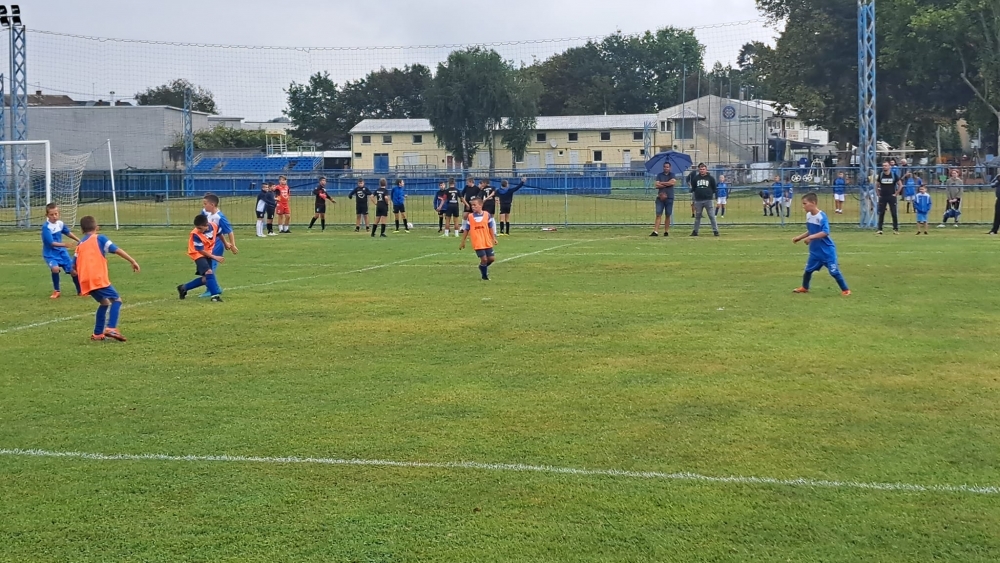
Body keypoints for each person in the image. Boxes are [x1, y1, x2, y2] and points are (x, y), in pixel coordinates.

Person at [73, 215, 140, 341]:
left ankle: (98, 334)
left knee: (104, 303)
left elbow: (73, 266)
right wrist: (132, 261)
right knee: (117, 300)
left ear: (81, 230)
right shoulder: (100, 238)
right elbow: (116, 249)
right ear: (96, 227)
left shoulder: (80, 244)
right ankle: (111, 328)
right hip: (97, 278)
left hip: (85, 280)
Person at [792, 193, 850, 296]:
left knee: (834, 272)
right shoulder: (809, 216)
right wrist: (799, 238)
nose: (803, 206)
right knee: (808, 271)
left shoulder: (821, 216)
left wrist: (811, 237)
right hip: (815, 251)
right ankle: (805, 287)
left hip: (827, 251)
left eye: (805, 203)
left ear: (813, 203)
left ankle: (846, 290)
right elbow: (811, 231)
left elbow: (825, 232)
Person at [176, 214, 224, 303]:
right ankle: (215, 296)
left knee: (206, 279)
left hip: (207, 253)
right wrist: (214, 257)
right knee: (209, 272)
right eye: (197, 228)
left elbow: (219, 234)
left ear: (206, 225)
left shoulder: (214, 226)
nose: (198, 230)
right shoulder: (195, 234)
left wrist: (226, 243)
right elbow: (200, 250)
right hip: (197, 253)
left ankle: (183, 287)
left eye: (200, 228)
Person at [200, 193, 237, 298]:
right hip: (207, 245)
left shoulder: (219, 217)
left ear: (212, 204)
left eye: (205, 204)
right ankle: (215, 288)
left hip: (216, 245)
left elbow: (229, 231)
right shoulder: (206, 214)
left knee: (210, 267)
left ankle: (211, 289)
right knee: (206, 267)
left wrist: (232, 245)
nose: (204, 206)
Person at [41, 203, 81, 299]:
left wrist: (79, 240)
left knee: (74, 271)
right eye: (51, 214)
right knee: (55, 269)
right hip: (50, 254)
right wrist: (66, 245)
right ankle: (57, 291)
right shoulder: (46, 227)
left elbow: (67, 232)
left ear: (59, 213)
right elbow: (51, 243)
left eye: (56, 214)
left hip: (62, 253)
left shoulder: (60, 224)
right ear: (47, 215)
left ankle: (80, 291)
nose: (54, 216)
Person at [458, 197, 498, 281]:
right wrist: (463, 241)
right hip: (477, 241)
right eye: (472, 205)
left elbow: (490, 227)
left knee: (491, 259)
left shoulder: (487, 215)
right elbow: (466, 229)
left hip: (486, 240)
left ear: (481, 205)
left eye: (474, 205)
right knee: (484, 259)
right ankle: (484, 276)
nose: (473, 207)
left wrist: (493, 238)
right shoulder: (470, 217)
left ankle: (482, 267)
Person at [689, 163, 719, 237]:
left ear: (706, 170)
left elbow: (714, 188)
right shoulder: (696, 178)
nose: (702, 170)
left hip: (708, 200)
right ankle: (695, 231)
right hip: (698, 200)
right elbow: (693, 188)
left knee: (711, 216)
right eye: (701, 169)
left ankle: (715, 231)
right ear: (699, 170)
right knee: (697, 216)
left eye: (703, 169)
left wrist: (711, 194)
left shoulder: (710, 178)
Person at [875, 160, 901, 235]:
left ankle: (895, 229)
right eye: (883, 166)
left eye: (886, 165)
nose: (884, 167)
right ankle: (880, 229)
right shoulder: (881, 175)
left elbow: (900, 185)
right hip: (883, 197)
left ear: (889, 166)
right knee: (881, 213)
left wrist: (896, 193)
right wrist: (878, 194)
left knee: (894, 213)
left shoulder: (894, 175)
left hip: (891, 197)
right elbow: (876, 185)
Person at [651, 162, 676, 236]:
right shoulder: (659, 175)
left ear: (670, 168)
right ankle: (655, 231)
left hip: (669, 197)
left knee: (668, 214)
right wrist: (667, 183)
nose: (666, 168)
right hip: (660, 198)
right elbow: (657, 185)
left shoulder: (672, 175)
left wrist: (662, 183)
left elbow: (672, 183)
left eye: (667, 167)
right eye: (665, 167)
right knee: (658, 214)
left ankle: (666, 231)